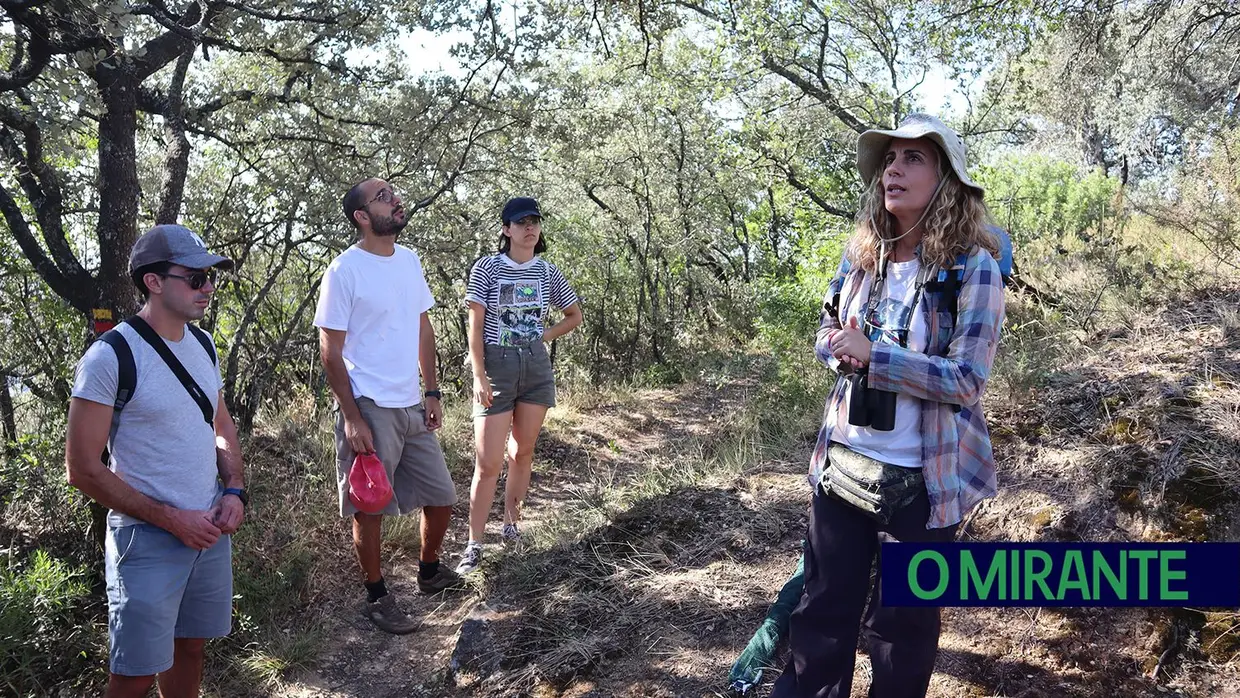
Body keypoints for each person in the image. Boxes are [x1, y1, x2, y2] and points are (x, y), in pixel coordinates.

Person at [771, 113, 1006, 698]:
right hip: (844, 463)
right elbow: (828, 329)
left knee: (903, 629)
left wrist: (878, 358)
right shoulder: (862, 255)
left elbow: (967, 379)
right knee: (822, 614)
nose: (893, 170)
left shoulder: (972, 268)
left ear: (946, 180)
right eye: (889, 159)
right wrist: (838, 349)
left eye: (913, 159)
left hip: (926, 483)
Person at [65, 224, 244, 698]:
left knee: (191, 648)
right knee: (135, 674)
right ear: (154, 281)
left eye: (211, 277)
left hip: (207, 527)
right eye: (195, 277)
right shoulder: (110, 356)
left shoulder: (203, 344)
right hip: (145, 540)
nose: (207, 287)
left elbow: (220, 427)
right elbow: (82, 467)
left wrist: (233, 489)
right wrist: (171, 519)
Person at [314, 178, 462, 635]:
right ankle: (377, 596)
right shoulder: (345, 270)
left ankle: (429, 571)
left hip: (410, 404)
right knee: (370, 506)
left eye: (393, 193)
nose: (396, 200)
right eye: (383, 197)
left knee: (441, 499)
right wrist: (352, 417)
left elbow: (423, 329)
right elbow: (329, 350)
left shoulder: (410, 261)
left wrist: (432, 392)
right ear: (362, 216)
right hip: (369, 405)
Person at [454, 197, 582, 574]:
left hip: (535, 366)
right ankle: (474, 545)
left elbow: (574, 315)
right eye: (521, 221)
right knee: (488, 461)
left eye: (535, 221)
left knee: (522, 452)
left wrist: (544, 334)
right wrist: (478, 375)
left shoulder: (546, 272)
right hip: (497, 365)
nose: (530, 228)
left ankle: (511, 528)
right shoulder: (488, 268)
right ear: (506, 229)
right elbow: (474, 328)